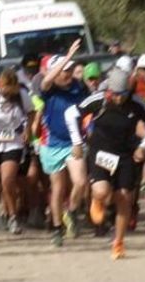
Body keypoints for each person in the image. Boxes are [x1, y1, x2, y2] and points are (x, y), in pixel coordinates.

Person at [66, 68, 145, 259]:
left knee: (124, 197)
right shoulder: (99, 99)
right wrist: (77, 141)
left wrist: (143, 146)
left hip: (126, 154)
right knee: (102, 190)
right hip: (101, 151)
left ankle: (118, 242)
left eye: (122, 94)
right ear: (109, 91)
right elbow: (70, 114)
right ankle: (97, 200)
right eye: (114, 94)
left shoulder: (137, 103)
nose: (118, 99)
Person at [39, 40, 88, 247]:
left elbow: (88, 109)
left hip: (73, 142)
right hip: (51, 144)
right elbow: (46, 81)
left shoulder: (79, 87)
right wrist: (66, 58)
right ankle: (58, 229)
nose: (67, 74)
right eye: (63, 70)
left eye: (69, 70)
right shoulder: (49, 89)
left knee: (80, 182)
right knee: (57, 188)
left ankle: (73, 210)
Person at [0, 68, 34, 235]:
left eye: (10, 87)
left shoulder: (21, 95)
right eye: (4, 87)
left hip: (13, 143)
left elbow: (32, 112)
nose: (7, 91)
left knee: (7, 181)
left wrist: (28, 130)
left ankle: (13, 217)